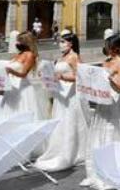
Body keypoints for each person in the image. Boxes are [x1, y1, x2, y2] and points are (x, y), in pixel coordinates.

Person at [82, 34, 120, 190]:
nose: (109, 49)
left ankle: (115, 169)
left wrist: (109, 79)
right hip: (102, 100)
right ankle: (98, 169)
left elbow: (119, 87)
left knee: (113, 131)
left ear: (118, 47)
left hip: (114, 102)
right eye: (107, 46)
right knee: (99, 131)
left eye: (111, 47)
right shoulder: (104, 62)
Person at [35, 33, 88, 172]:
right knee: (60, 121)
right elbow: (55, 74)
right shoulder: (61, 57)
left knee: (70, 121)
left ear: (71, 43)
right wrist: (46, 74)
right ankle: (59, 148)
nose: (60, 44)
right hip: (60, 95)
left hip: (70, 95)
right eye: (60, 42)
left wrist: (63, 77)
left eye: (63, 42)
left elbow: (80, 77)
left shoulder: (74, 57)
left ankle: (74, 151)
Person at [0, 31, 43, 120]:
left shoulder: (30, 55)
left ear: (26, 42)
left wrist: (11, 71)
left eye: (19, 41)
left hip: (23, 89)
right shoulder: (19, 54)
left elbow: (23, 74)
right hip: (13, 88)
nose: (17, 43)